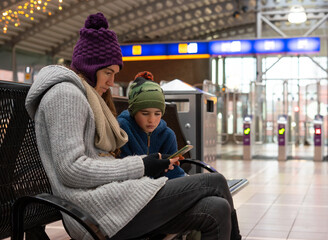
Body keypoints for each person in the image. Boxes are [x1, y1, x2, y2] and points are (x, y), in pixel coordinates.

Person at [25, 12, 242, 240]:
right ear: (90, 66)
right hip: (94, 209)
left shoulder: (83, 96)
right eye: (108, 72)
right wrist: (141, 166)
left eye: (114, 74)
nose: (111, 82)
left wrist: (145, 167)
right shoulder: (65, 94)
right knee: (215, 182)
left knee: (216, 208)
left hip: (113, 199)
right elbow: (71, 170)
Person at [117, 71, 186, 179]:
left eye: (157, 114)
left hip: (164, 185)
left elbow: (174, 171)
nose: (151, 120)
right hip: (136, 188)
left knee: (211, 182)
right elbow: (122, 170)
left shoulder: (167, 135)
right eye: (145, 114)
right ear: (133, 112)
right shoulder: (122, 131)